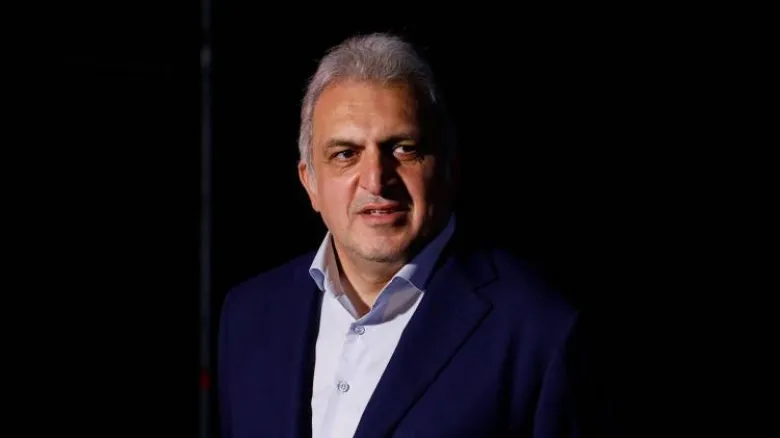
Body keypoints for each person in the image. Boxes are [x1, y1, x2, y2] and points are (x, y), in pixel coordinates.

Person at [217, 32, 617, 438]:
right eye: (346, 154)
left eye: (403, 149)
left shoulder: (539, 331)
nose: (376, 180)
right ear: (310, 183)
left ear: (448, 167)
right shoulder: (248, 315)